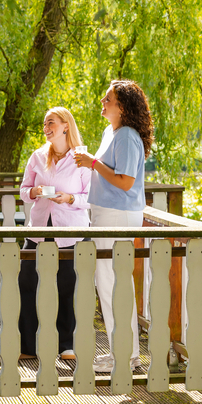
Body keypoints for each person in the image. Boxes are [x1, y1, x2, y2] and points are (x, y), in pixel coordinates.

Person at [73, 80, 154, 373]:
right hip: (106, 214)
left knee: (114, 285)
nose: (102, 103)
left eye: (108, 99)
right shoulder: (112, 132)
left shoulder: (128, 136)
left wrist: (92, 163)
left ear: (123, 107)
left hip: (118, 216)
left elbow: (125, 181)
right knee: (107, 285)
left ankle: (127, 357)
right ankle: (122, 353)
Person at [18, 107, 91, 360]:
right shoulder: (37, 156)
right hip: (39, 229)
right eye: (44, 123)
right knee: (26, 283)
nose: (46, 127)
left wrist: (69, 198)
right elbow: (23, 191)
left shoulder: (82, 158)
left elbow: (90, 197)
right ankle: (27, 346)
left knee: (67, 287)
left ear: (65, 126)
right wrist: (35, 192)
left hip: (71, 231)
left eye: (51, 122)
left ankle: (66, 345)